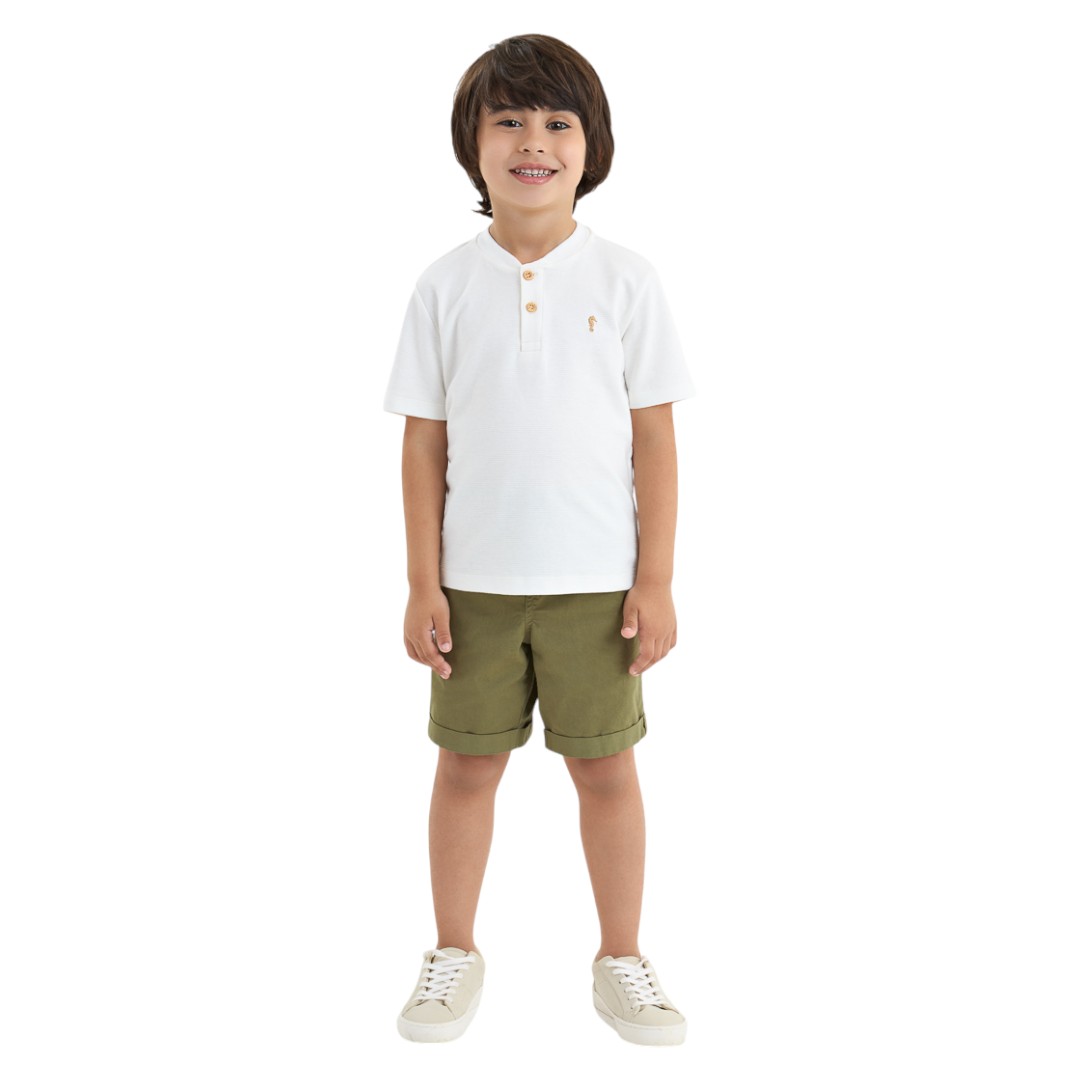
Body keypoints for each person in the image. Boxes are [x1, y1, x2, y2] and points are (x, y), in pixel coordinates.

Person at [383, 34, 695, 1046]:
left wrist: (656, 580)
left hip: (598, 588)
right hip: (473, 587)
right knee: (466, 769)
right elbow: (423, 446)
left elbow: (655, 439)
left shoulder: (627, 280)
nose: (533, 141)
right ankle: (453, 953)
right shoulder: (444, 286)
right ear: (472, 144)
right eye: (508, 120)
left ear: (589, 146)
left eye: (558, 122)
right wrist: (422, 583)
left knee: (606, 770)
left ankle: (621, 958)